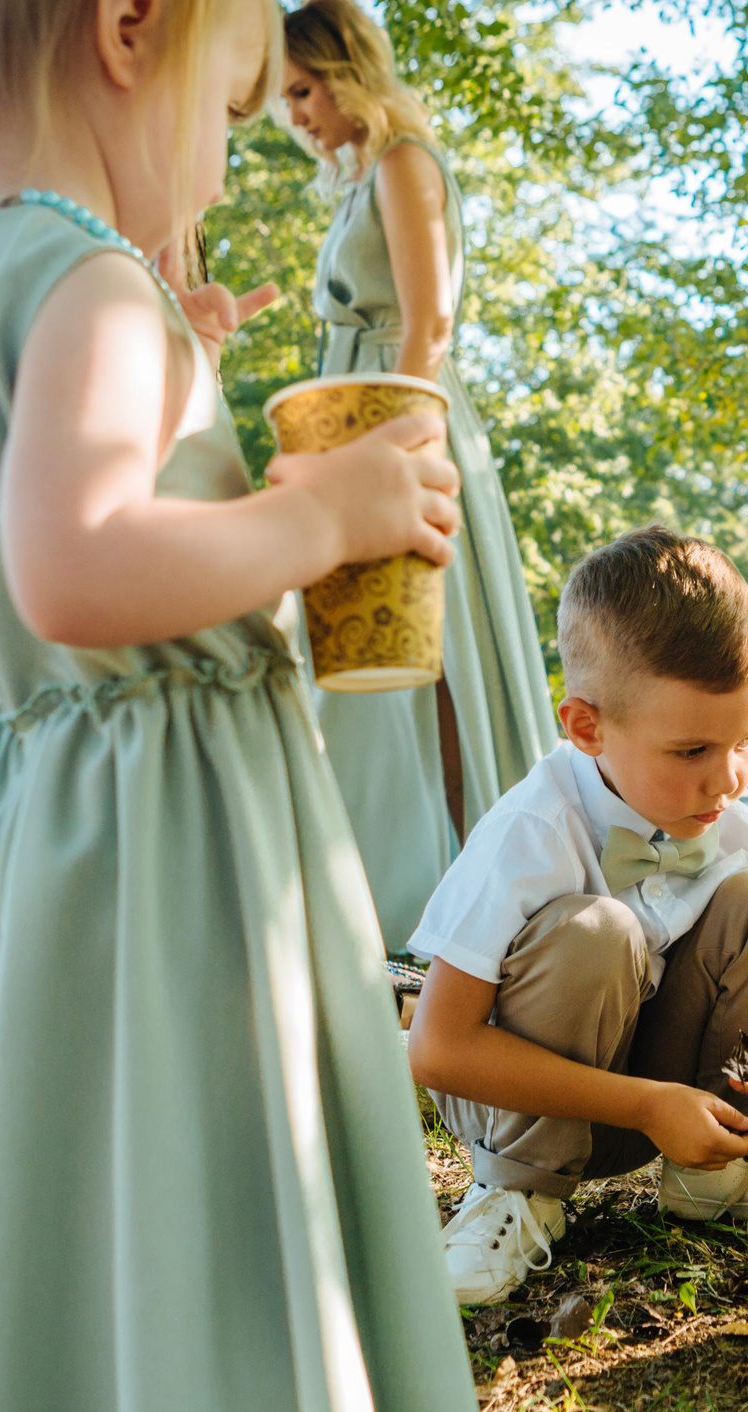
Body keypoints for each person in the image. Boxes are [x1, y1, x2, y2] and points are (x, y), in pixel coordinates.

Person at [0, 2, 594, 1412]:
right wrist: (318, 516)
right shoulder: (83, 280)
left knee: (69, 1212)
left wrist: (183, 390)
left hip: (40, 828)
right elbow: (81, 570)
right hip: (178, 843)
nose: (230, 155)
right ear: (130, 30)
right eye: (236, 103)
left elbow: (19, 550)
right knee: (237, 1217)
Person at [408, 527, 748, 1307]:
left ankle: (717, 1171)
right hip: (530, 1104)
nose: (729, 777)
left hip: (677, 1109)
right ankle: (516, 1195)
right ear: (587, 727)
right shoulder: (532, 828)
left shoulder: (733, 823)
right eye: (692, 749)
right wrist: (645, 1103)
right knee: (597, 932)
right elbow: (436, 1048)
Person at [277, 0, 557, 949]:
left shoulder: (404, 163)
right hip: (350, 427)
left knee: (439, 665)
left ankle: (465, 894)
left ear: (349, 69)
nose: (295, 114)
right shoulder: (354, 180)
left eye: (304, 89)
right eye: (284, 98)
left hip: (400, 428)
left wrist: (391, 451)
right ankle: (371, 893)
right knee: (365, 669)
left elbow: (428, 323)